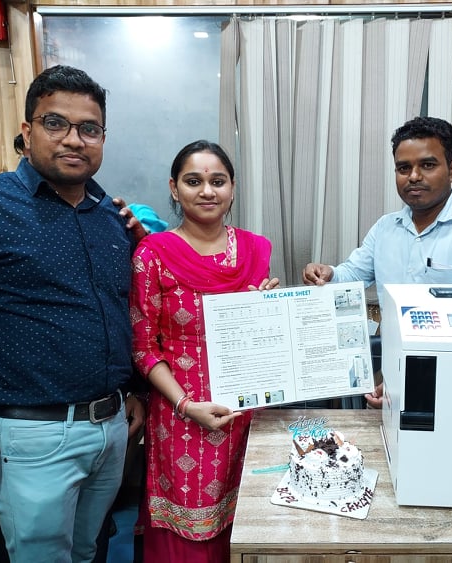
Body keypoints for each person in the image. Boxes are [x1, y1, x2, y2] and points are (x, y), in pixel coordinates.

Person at [0, 65, 146, 562]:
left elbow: (120, 312)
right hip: (31, 436)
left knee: (90, 553)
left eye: (89, 128)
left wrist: (133, 391)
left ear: (102, 138)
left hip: (110, 430)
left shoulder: (111, 218)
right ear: (27, 130)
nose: (74, 139)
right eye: (55, 123)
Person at [130, 140, 278, 563]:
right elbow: (143, 347)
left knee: (248, 522)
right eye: (194, 181)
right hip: (182, 416)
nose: (207, 191)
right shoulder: (153, 254)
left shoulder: (255, 249)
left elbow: (263, 339)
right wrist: (185, 405)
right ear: (174, 189)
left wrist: (269, 309)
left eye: (218, 181)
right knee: (189, 537)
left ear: (233, 188)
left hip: (245, 411)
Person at [302, 116, 452, 406]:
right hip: (393, 372)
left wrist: (408, 385)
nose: (413, 176)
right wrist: (327, 274)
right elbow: (352, 273)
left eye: (427, 165)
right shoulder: (386, 228)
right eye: (403, 168)